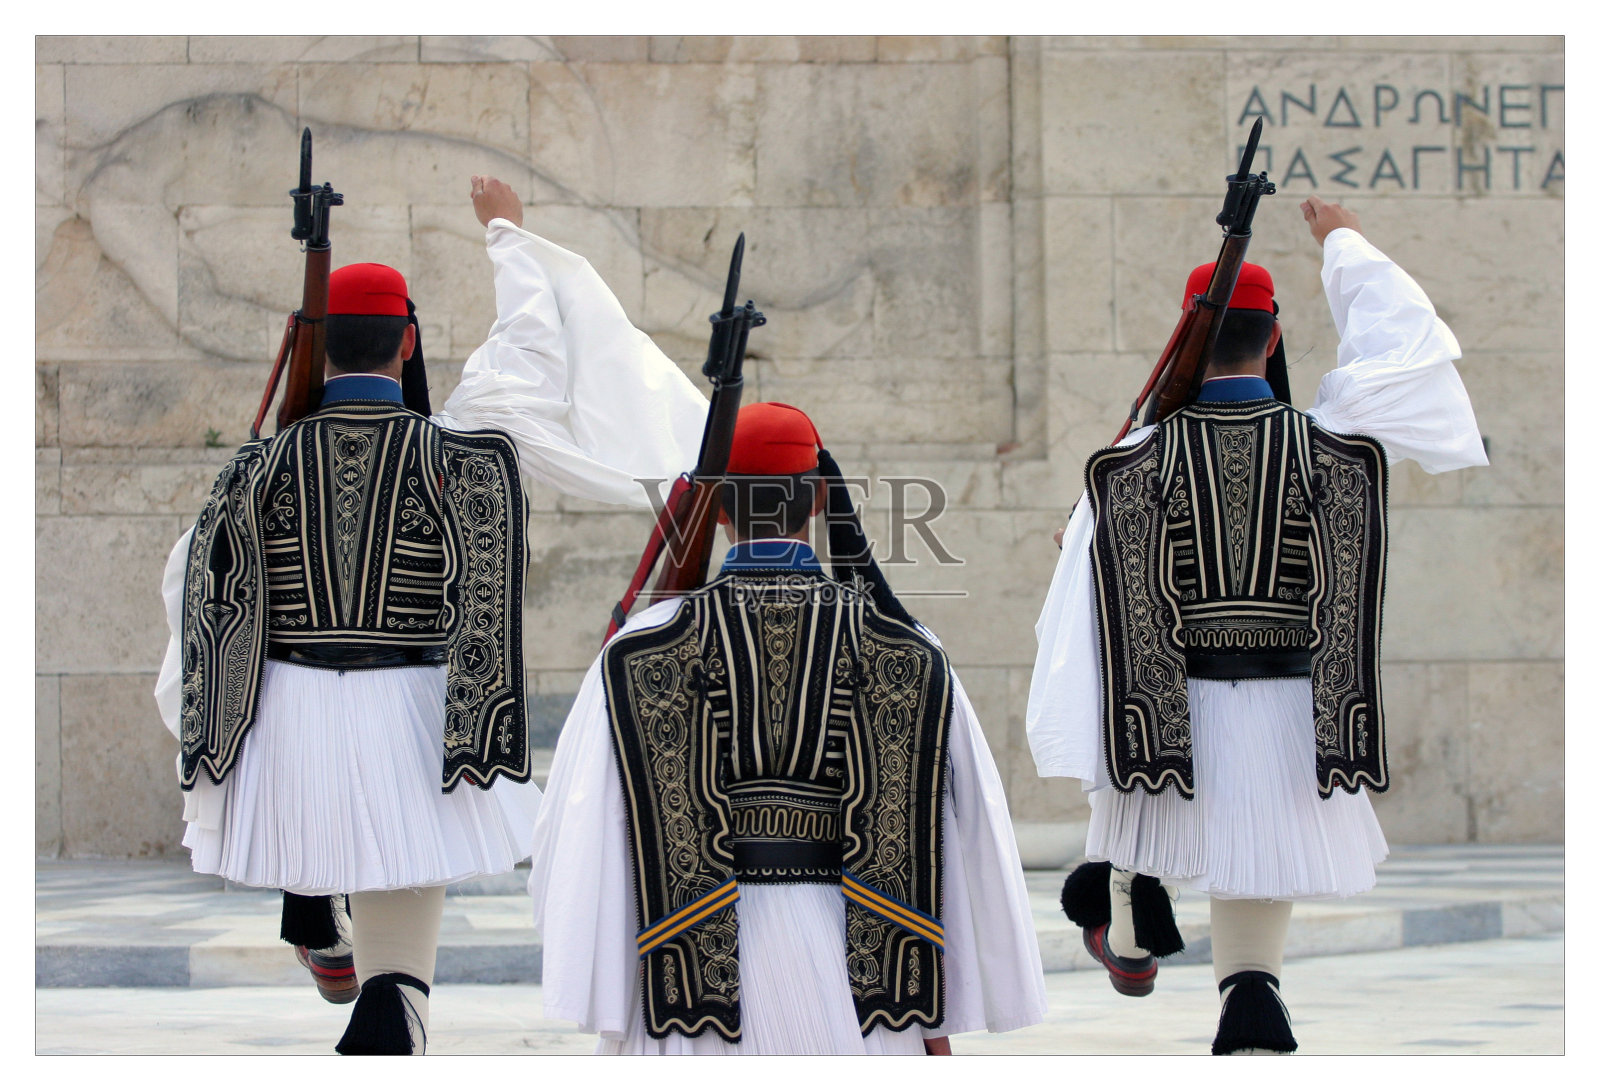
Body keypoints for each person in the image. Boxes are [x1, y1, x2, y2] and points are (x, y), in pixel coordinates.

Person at [153, 177, 707, 1053]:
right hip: (416, 714)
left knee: (347, 833)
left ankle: (316, 900)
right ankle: (388, 1001)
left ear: (314, 347)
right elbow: (532, 349)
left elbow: (196, 594)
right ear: (407, 341)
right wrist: (507, 237)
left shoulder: (251, 472)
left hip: (282, 721)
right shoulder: (462, 448)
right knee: (401, 878)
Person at [1027, 195, 1488, 1054]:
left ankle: (1130, 931)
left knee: (1142, 816)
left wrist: (1081, 538)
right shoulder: (1334, 443)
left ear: (1189, 343)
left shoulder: (1130, 465)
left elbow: (1098, 621)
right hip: (1295, 707)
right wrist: (1343, 243)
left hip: (1167, 715)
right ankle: (1251, 994)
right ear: (1273, 340)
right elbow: (1406, 354)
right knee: (1257, 850)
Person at [528, 401, 1048, 1054]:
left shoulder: (638, 654)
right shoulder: (910, 651)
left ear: (716, 508)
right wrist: (934, 1017)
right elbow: (962, 833)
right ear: (822, 496)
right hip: (865, 986)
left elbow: (575, 837)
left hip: (690, 987)